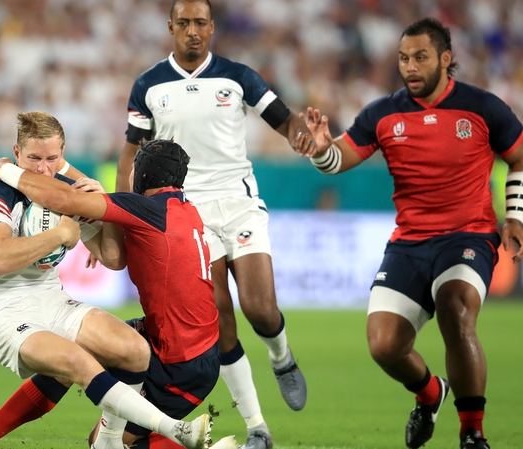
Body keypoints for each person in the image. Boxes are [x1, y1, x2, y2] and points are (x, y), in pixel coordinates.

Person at [0, 112, 213, 449]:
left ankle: (104, 443)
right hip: (2, 313)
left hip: (53, 300)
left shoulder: (64, 191)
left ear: (63, 154)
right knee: (76, 360)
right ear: (16, 153)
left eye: (52, 158)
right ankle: (175, 430)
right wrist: (58, 235)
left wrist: (104, 205)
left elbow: (113, 257)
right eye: (34, 158)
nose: (43, 168)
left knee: (132, 349)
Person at [303, 17, 523, 449]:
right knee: (384, 345)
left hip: (469, 237)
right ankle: (429, 393)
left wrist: (514, 214)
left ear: (445, 59)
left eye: (420, 57)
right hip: (409, 242)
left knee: (455, 308)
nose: (410, 67)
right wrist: (320, 149)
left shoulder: (483, 107)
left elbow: (519, 158)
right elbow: (338, 161)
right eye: (404, 58)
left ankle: (472, 432)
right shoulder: (383, 113)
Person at [116, 1, 317, 447]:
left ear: (212, 27)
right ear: (171, 27)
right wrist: (123, 218)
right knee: (220, 318)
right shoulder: (149, 85)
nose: (192, 31)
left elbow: (284, 119)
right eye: (183, 23)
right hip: (189, 211)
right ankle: (257, 428)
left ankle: (281, 357)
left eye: (200, 23)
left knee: (261, 309)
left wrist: (302, 134)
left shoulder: (238, 75)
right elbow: (131, 153)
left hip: (239, 202)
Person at [0, 139, 238, 449]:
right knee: (76, 354)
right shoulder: (183, 210)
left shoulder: (147, 209)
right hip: (191, 344)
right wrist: (63, 169)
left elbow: (65, 200)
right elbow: (120, 245)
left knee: (102, 443)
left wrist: (6, 170)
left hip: (179, 361)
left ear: (141, 175)